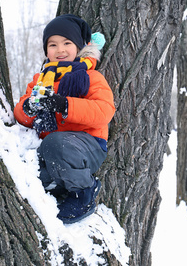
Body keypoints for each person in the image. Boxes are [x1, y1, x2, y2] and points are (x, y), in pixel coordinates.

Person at [14, 14, 116, 224]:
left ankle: (83, 192)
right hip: (52, 150)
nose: (60, 50)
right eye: (53, 45)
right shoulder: (41, 80)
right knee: (31, 165)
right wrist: (30, 107)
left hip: (87, 145)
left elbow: (104, 111)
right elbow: (21, 115)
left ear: (78, 47)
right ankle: (55, 187)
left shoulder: (90, 77)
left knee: (55, 144)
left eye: (67, 43)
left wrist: (64, 105)